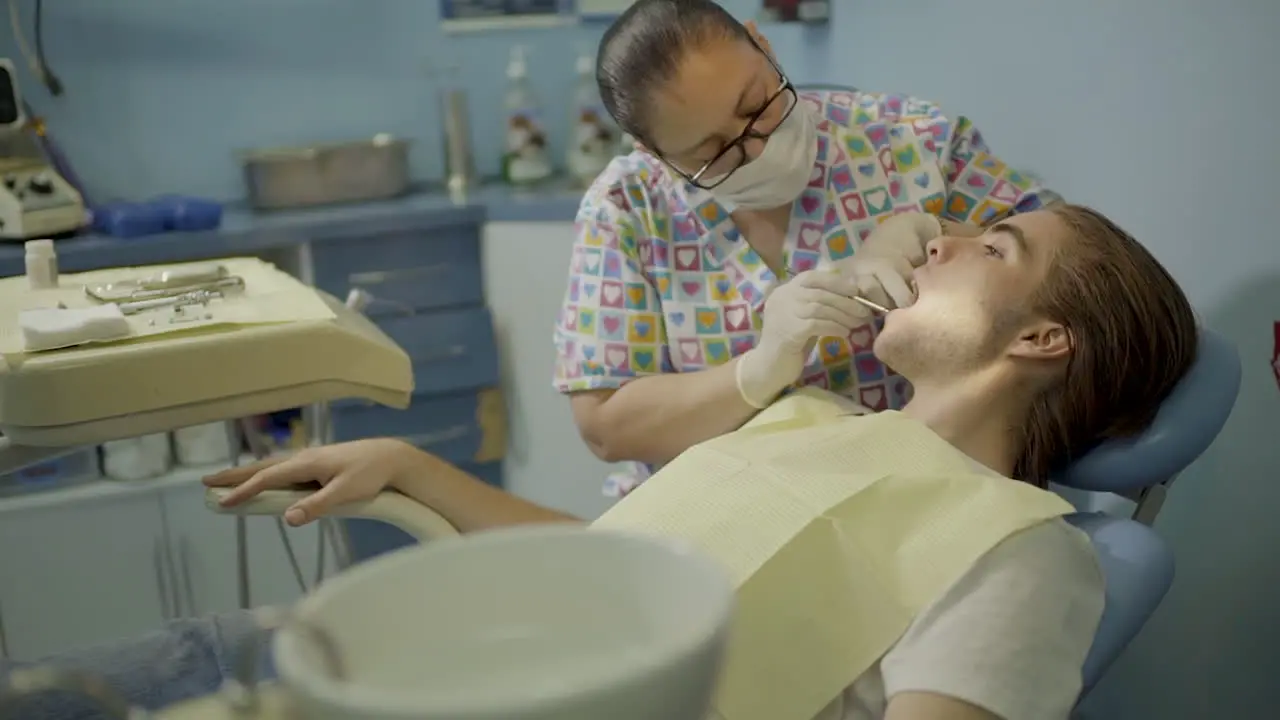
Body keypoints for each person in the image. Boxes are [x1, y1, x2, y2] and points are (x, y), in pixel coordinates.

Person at [2, 204, 1198, 720]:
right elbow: (614, 581)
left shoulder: (1027, 552)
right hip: (334, 660)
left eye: (986, 246)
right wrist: (415, 472)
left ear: (1042, 341)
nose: (929, 240)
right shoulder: (813, 416)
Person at [553, 0, 1064, 497]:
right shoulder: (628, 206)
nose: (758, 149)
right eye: (713, 154)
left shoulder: (915, 144)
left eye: (757, 105)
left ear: (762, 44)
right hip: (710, 510)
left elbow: (1074, 256)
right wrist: (757, 370)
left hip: (909, 497)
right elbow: (606, 424)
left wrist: (937, 227)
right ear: (655, 155)